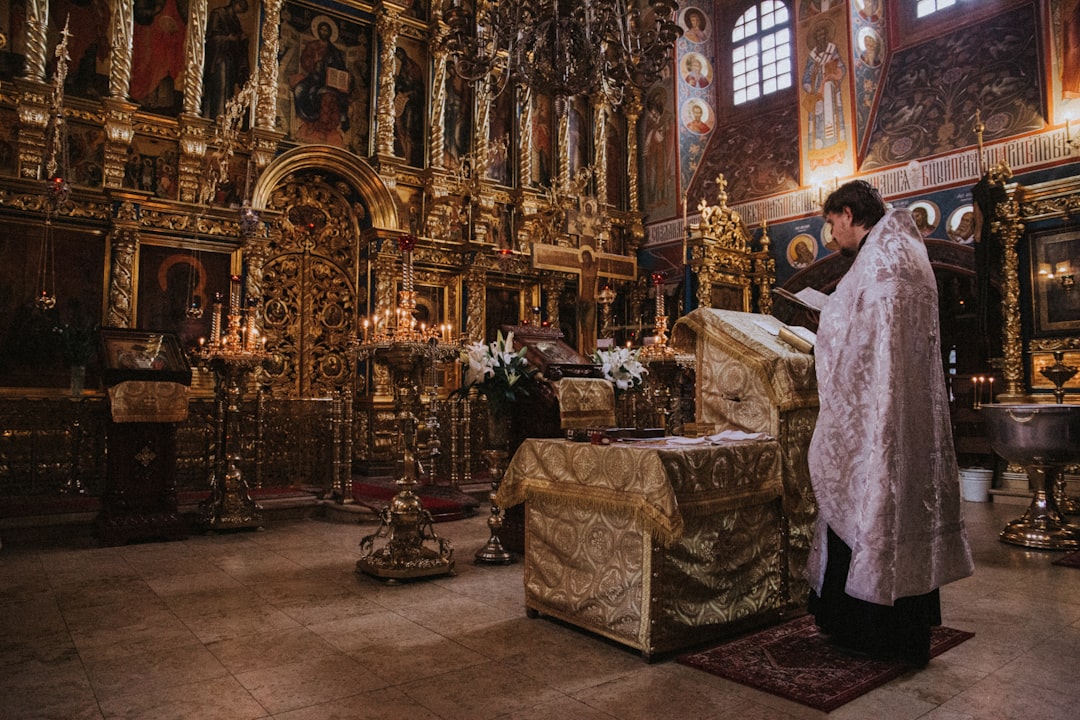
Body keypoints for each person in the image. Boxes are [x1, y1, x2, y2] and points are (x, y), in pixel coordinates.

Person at [808, 180, 974, 667]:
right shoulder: (906, 249)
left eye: (831, 222)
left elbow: (857, 339)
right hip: (910, 415)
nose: (831, 234)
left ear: (845, 213)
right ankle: (902, 632)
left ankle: (868, 632)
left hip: (877, 420)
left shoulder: (880, 260)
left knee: (870, 502)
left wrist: (825, 319)